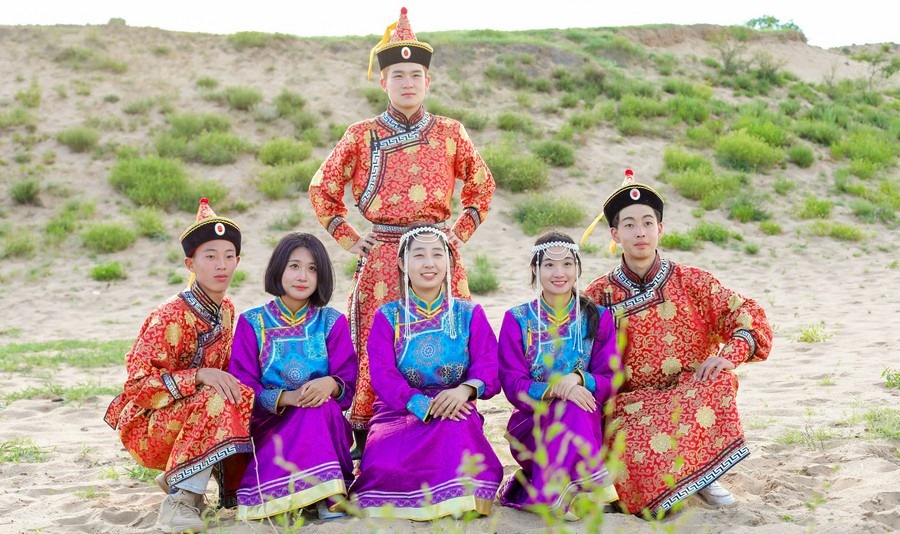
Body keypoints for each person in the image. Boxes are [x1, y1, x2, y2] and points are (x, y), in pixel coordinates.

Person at [307, 7, 496, 455]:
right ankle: (368, 433)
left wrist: (459, 232)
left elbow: (482, 185)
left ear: (427, 81)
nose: (407, 83)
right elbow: (322, 189)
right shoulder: (360, 135)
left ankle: (455, 418)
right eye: (398, 75)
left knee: (450, 334)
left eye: (415, 75)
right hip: (383, 255)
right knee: (379, 342)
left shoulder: (450, 132)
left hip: (437, 251)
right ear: (383, 82)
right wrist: (351, 238)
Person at [581, 170, 773, 518]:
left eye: (647, 223)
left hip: (691, 390)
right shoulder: (598, 294)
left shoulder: (692, 281)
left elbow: (745, 313)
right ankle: (683, 480)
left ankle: (705, 476)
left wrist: (730, 356)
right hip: (631, 404)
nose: (640, 232)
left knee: (718, 380)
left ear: (660, 229)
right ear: (615, 234)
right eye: (629, 225)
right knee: (633, 461)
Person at [104, 198, 254, 533]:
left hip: (191, 417)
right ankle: (180, 501)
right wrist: (198, 375)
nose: (222, 265)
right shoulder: (170, 314)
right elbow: (136, 386)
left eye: (229, 256)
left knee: (243, 393)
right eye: (210, 257)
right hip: (147, 425)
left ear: (238, 261)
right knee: (217, 394)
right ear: (191, 263)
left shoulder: (227, 309)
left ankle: (187, 479)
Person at [347, 224, 503, 520]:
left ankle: (455, 499)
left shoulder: (470, 313)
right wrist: (419, 403)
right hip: (400, 409)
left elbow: (488, 365)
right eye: (419, 255)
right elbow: (383, 375)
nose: (429, 263)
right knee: (383, 462)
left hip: (455, 407)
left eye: (437, 254)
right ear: (402, 263)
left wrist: (464, 391)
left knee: (455, 435)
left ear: (449, 262)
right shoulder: (387, 316)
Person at [228, 232, 358, 522]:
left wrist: (330, 384)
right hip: (273, 424)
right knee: (310, 410)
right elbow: (243, 385)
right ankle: (326, 495)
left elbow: (348, 382)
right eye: (294, 266)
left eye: (312, 268)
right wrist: (287, 398)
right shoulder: (253, 322)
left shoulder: (332, 321)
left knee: (319, 408)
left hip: (325, 422)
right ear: (279, 269)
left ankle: (322, 493)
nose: (303, 276)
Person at [497, 231, 619, 520]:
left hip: (586, 420)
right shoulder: (517, 319)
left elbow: (609, 377)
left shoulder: (599, 317)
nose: (559, 273)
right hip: (533, 423)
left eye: (567, 264)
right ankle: (571, 493)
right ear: (535, 269)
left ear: (578, 267)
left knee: (575, 407)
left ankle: (561, 493)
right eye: (549, 265)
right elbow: (513, 384)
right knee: (569, 405)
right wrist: (557, 389)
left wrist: (577, 379)